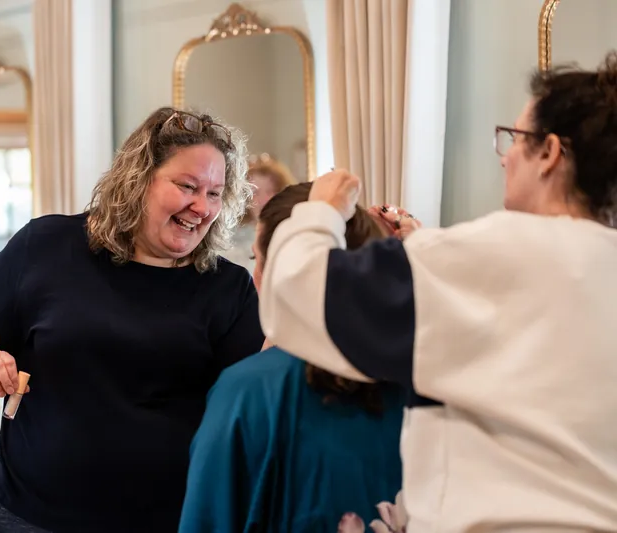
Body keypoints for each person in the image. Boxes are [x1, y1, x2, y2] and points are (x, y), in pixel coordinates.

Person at [260, 54, 617, 531]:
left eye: (514, 138)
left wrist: (321, 211)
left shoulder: (488, 252)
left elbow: (295, 291)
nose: (506, 157)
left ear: (549, 152)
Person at [0, 107, 265, 533]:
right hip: (26, 515)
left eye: (215, 193)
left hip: (166, 521)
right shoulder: (48, 246)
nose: (202, 207)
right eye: (187, 186)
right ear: (139, 180)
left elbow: (251, 406)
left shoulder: (228, 289)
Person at [178, 182, 406, 533]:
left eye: (257, 260)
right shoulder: (426, 379)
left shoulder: (250, 392)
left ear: (286, 273)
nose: (255, 278)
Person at [222, 154, 297, 271]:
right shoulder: (230, 240)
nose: (263, 200)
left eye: (270, 191)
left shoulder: (293, 234)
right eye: (255, 193)